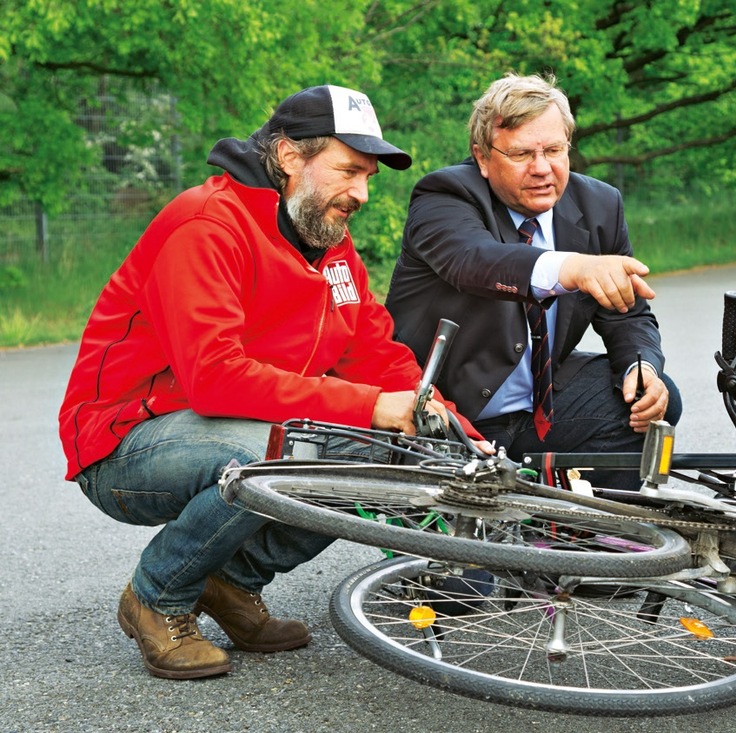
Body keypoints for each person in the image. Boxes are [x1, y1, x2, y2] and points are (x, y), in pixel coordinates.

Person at [58, 85, 486, 680]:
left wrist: (454, 430)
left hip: (232, 431)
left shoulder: (332, 248)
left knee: (377, 455)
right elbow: (213, 378)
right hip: (125, 442)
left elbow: (378, 357)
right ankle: (156, 596)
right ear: (289, 158)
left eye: (368, 176)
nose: (361, 193)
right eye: (347, 171)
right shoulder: (206, 225)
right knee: (281, 449)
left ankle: (229, 583)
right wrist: (369, 406)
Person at [386, 73, 681, 489]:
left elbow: (626, 315)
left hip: (538, 412)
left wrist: (643, 368)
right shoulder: (445, 195)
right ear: (483, 157)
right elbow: (475, 261)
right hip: (448, 415)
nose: (542, 169)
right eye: (522, 154)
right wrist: (572, 268)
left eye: (554, 150)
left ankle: (589, 540)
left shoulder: (600, 204)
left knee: (653, 402)